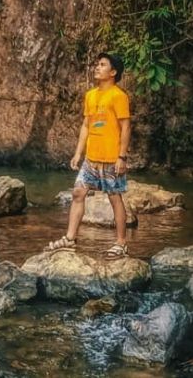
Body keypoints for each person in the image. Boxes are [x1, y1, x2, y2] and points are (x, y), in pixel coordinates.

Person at [46, 52, 131, 259]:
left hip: (111, 158)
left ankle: (121, 243)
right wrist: (78, 153)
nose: (97, 67)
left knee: (114, 198)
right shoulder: (90, 95)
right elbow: (86, 125)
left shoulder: (119, 96)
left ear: (113, 72)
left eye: (102, 65)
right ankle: (70, 238)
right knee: (77, 193)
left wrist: (122, 157)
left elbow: (126, 127)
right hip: (91, 158)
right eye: (97, 64)